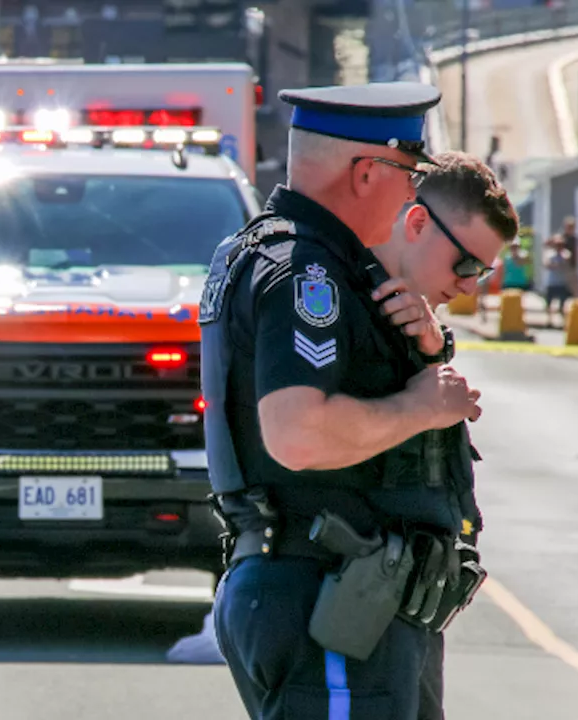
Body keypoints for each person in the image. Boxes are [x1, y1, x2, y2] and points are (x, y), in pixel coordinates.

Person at [200, 82, 501, 720]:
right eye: (409, 173)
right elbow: (299, 434)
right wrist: (424, 406)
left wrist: (425, 354)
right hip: (331, 601)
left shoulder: (308, 260)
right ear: (367, 172)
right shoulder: (306, 271)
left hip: (350, 600)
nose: (412, 192)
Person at [542, 235, 576, 327]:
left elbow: (567, 265)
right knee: (549, 303)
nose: (559, 247)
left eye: (561, 244)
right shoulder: (550, 254)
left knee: (562, 304)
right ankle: (549, 321)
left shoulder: (566, 254)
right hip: (552, 282)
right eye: (557, 244)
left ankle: (563, 323)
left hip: (562, 282)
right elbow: (547, 265)